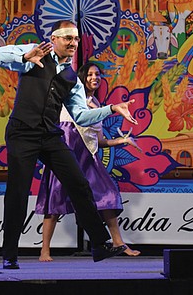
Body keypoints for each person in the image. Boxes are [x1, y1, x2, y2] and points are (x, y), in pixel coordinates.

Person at [0, 20, 138, 269]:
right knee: (18, 192)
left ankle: (99, 244)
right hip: (22, 132)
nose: (73, 43)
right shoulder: (36, 52)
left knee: (79, 183)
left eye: (76, 39)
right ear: (55, 38)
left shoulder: (72, 78)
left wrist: (111, 108)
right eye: (68, 38)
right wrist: (26, 55)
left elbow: (80, 115)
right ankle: (10, 254)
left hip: (50, 134)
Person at [36, 62, 141, 261]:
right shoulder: (70, 100)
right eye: (90, 74)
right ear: (82, 78)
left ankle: (118, 242)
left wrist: (122, 140)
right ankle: (45, 250)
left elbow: (99, 141)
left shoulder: (98, 106)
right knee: (55, 200)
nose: (95, 78)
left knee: (108, 193)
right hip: (67, 152)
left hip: (87, 157)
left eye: (98, 74)